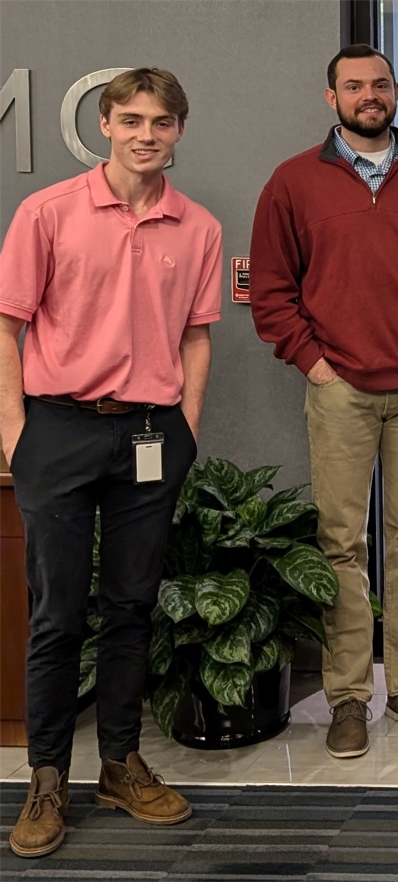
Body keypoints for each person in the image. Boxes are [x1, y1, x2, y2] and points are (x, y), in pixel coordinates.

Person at [0, 68, 220, 858]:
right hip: (57, 431)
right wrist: (15, 434)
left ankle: (121, 765)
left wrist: (186, 424)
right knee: (58, 613)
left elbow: (198, 333)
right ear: (105, 125)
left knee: (132, 606)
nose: (145, 135)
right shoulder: (47, 212)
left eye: (161, 121)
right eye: (131, 120)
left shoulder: (197, 227)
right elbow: (7, 325)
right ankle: (48, 777)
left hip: (153, 436)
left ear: (179, 131)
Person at [249, 44, 398, 759]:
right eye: (354, 86)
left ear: (396, 91)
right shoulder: (292, 183)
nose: (369, 95)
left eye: (380, 84)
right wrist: (313, 363)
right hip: (340, 389)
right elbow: (272, 292)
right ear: (332, 98)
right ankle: (350, 695)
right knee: (341, 546)